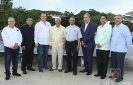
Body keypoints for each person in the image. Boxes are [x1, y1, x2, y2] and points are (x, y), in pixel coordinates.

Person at [110, 14, 132, 82]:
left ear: (121, 19)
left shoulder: (124, 27)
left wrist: (123, 45)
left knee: (119, 64)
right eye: (115, 18)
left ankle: (119, 78)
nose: (116, 20)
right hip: (113, 49)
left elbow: (129, 39)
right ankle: (114, 76)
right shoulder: (114, 27)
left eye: (118, 18)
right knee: (114, 64)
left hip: (121, 50)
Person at [94, 15, 112, 79]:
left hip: (105, 48)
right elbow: (96, 36)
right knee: (99, 61)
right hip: (98, 47)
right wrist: (96, 43)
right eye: (101, 18)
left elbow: (108, 37)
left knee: (105, 62)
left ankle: (103, 74)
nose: (102, 19)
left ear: (106, 19)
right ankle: (99, 73)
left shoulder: (109, 26)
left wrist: (100, 43)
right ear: (100, 20)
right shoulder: (99, 27)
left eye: (104, 18)